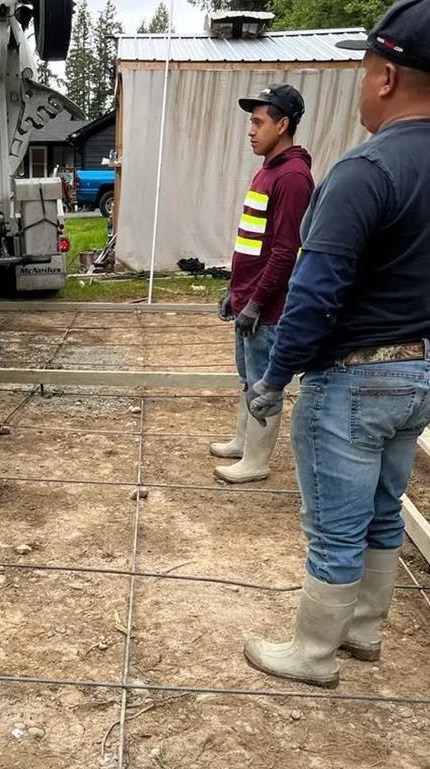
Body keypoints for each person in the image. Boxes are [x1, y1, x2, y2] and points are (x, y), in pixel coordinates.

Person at [244, 0, 430, 688]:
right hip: (417, 371)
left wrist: (275, 375)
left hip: (352, 379)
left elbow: (315, 292)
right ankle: (362, 631)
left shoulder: (366, 170)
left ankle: (312, 653)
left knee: (334, 526)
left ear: (384, 75)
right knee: (383, 510)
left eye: (362, 69)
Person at [213, 85, 314, 484]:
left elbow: (286, 251)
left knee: (263, 382)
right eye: (250, 122)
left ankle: (256, 460)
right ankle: (243, 442)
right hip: (249, 298)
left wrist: (256, 303)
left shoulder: (292, 177)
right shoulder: (268, 170)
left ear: (283, 124)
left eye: (259, 122)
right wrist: (235, 293)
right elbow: (254, 243)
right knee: (247, 376)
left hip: (268, 308)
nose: (250, 130)